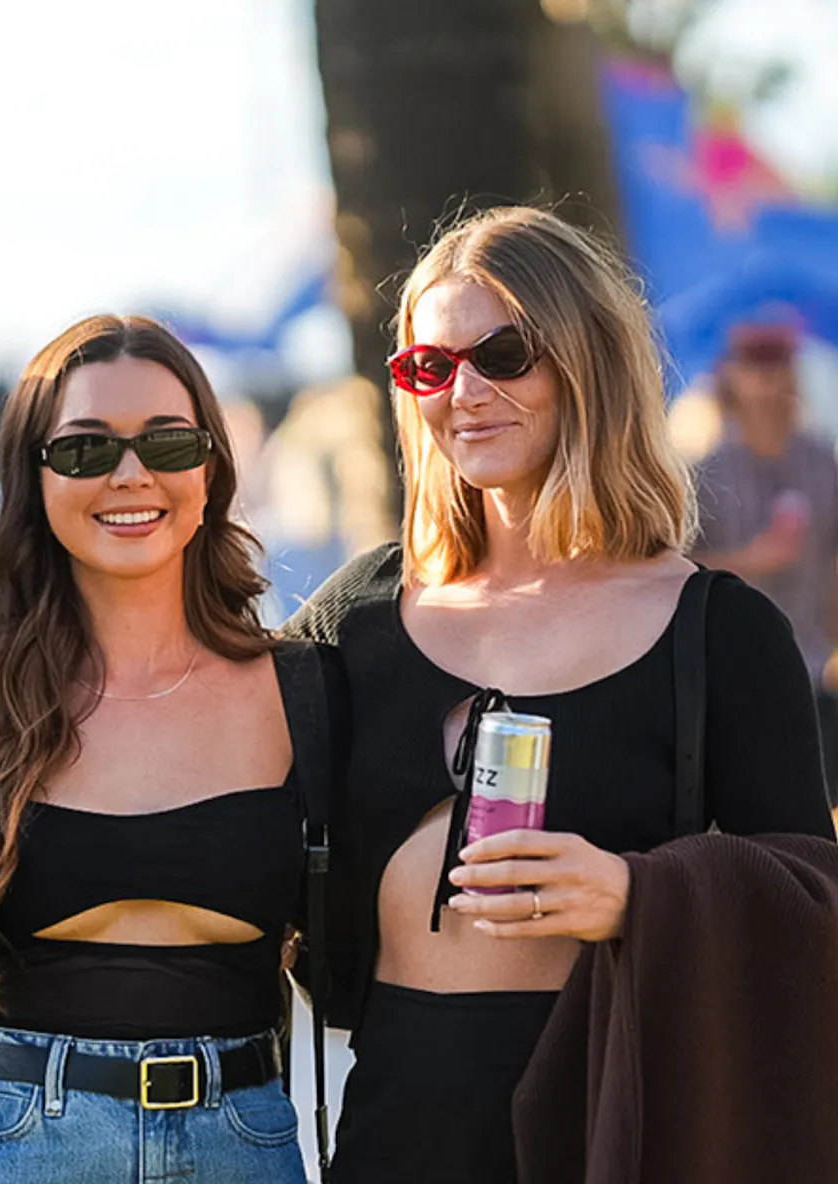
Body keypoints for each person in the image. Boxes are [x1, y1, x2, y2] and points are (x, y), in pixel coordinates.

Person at [283, 207, 837, 1183]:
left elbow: (812, 901)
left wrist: (637, 892)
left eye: (503, 353)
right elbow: (189, 707)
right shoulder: (354, 616)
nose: (464, 391)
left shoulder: (715, 629)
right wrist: (12, 618)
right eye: (427, 366)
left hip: (612, 1122)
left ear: (588, 359)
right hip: (397, 1129)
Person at [0, 316, 337, 1182]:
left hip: (244, 1140)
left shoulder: (309, 692)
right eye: (84, 450)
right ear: (34, 477)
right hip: (17, 1141)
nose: (131, 474)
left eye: (168, 442)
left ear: (211, 466)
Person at [692, 319, 838, 807]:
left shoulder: (823, 462)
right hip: (733, 673)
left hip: (814, 668)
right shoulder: (705, 473)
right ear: (729, 375)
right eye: (755, 368)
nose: (768, 382)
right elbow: (677, 570)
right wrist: (749, 560)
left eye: (778, 367)